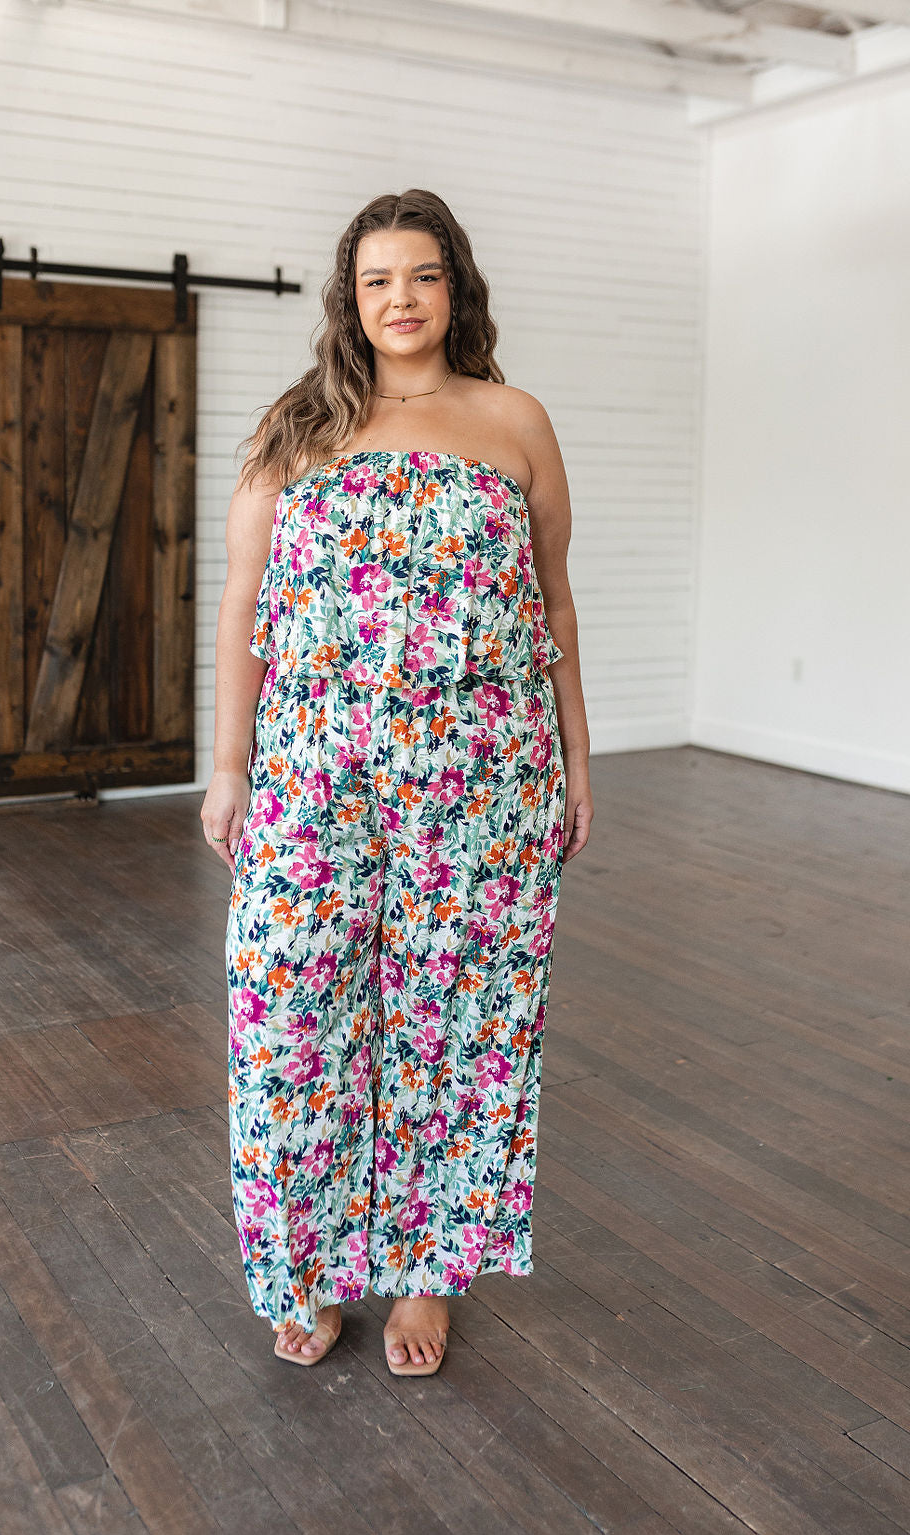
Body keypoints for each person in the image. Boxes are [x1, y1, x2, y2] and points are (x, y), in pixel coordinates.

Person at [201, 188, 593, 1377]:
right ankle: (311, 1267)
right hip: (313, 779)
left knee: (455, 1024)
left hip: (482, 786)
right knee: (290, 1022)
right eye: (377, 280)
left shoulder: (513, 421)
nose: (400, 299)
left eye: (422, 275)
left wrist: (576, 760)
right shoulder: (297, 428)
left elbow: (552, 604)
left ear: (454, 288)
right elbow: (242, 603)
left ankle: (426, 1271)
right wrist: (227, 765)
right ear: (350, 300)